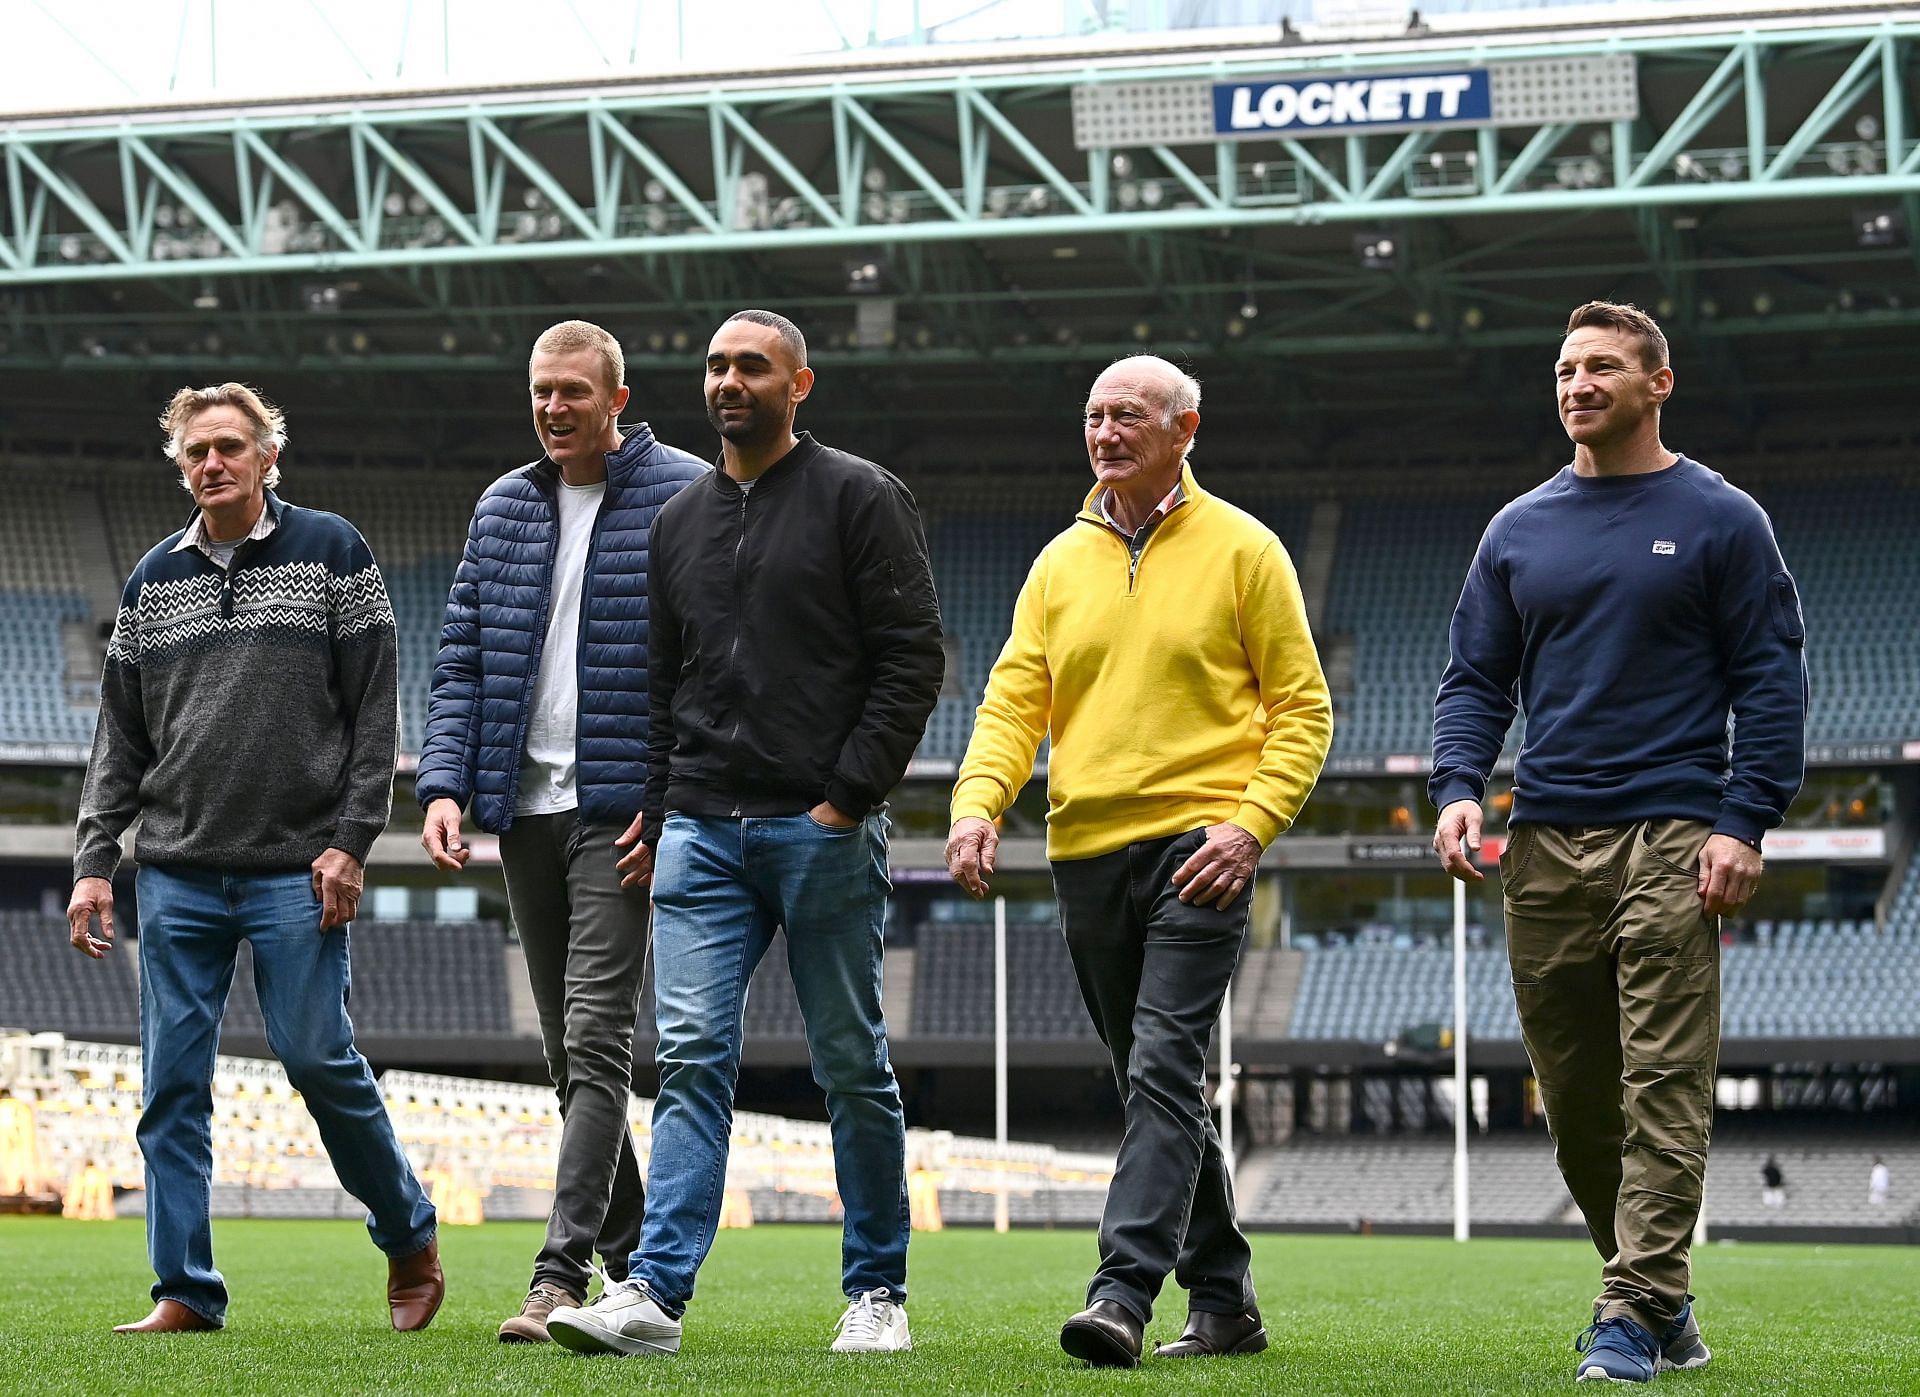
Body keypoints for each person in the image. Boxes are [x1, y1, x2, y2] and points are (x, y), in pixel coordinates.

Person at [547, 309, 944, 1359]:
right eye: (717, 365)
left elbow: (913, 661)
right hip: (704, 837)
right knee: (690, 1062)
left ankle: (876, 1290)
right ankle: (655, 1295)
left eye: (752, 366)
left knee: (849, 1061)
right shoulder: (676, 520)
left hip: (819, 830)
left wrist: (845, 799)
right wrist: (666, 807)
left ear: (798, 384)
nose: (730, 381)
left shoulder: (860, 495)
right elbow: (667, 684)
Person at [1430, 302, 1807, 1385]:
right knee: (1579, 1097)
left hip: (1676, 832)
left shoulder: (1722, 517)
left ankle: (1634, 1310)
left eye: (1601, 365)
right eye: (1564, 367)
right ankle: (1661, 1289)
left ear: (1659, 383)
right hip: (1544, 835)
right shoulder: (1516, 528)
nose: (1577, 382)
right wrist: (1459, 786)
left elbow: (1771, 677)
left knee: (1664, 1081)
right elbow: (1473, 680)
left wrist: (1745, 818)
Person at [945, 355, 1333, 1367]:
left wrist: (1250, 824)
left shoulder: (1246, 548)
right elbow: (1012, 706)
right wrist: (979, 802)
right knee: (1150, 1079)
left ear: (1183, 427)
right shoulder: (1055, 565)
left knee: (1164, 1063)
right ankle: (1227, 1297)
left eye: (1128, 415)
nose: (1106, 431)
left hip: (1201, 846)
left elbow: (1303, 708)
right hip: (1084, 851)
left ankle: (1120, 1291)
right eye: (1094, 415)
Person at [68, 383, 442, 1334]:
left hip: (294, 867)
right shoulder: (151, 579)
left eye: (231, 447)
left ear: (269, 456)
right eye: (197, 452)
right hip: (180, 869)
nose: (213, 464)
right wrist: (93, 861)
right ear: (182, 463)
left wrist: (352, 841)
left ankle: (406, 1232)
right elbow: (120, 741)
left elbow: (374, 717)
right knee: (170, 1088)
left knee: (319, 1058)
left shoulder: (333, 551)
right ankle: (184, 1290)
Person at [415, 321, 704, 1342]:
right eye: (540, 390)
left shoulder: (684, 492)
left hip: (619, 814)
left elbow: (712, 667)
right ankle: (633, 1258)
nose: (552, 407)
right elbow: (462, 662)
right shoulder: (503, 505)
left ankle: (559, 1274)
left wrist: (670, 803)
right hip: (523, 811)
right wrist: (443, 784)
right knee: (565, 1050)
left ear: (617, 397)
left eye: (573, 390)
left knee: (594, 1037)